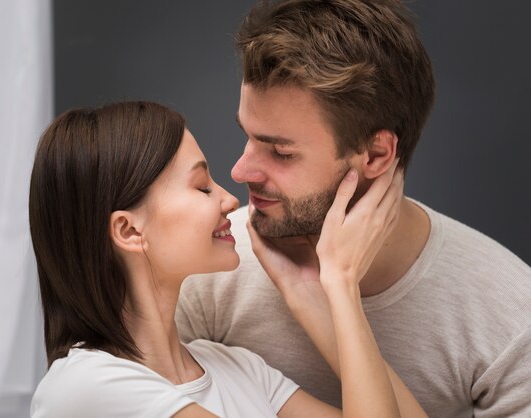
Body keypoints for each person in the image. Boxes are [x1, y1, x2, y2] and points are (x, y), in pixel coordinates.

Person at [176, 1, 531, 417]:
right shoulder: (207, 266)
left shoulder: (508, 314)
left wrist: (325, 297)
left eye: (281, 152)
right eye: (249, 137)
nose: (239, 170)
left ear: (377, 155)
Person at [28, 101, 427, 417]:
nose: (229, 199)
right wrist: (340, 279)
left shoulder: (235, 367)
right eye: (202, 187)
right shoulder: (89, 389)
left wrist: (312, 297)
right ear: (130, 231)